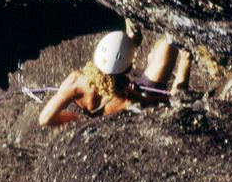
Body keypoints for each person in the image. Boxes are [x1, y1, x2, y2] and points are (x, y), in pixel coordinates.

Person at [38, 24, 193, 127]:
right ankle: (154, 57)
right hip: (145, 89)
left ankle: (142, 49)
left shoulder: (75, 82)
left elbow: (44, 119)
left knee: (162, 49)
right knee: (170, 41)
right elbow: (172, 100)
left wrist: (74, 119)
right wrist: (185, 63)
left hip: (126, 91)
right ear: (125, 70)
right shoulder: (126, 100)